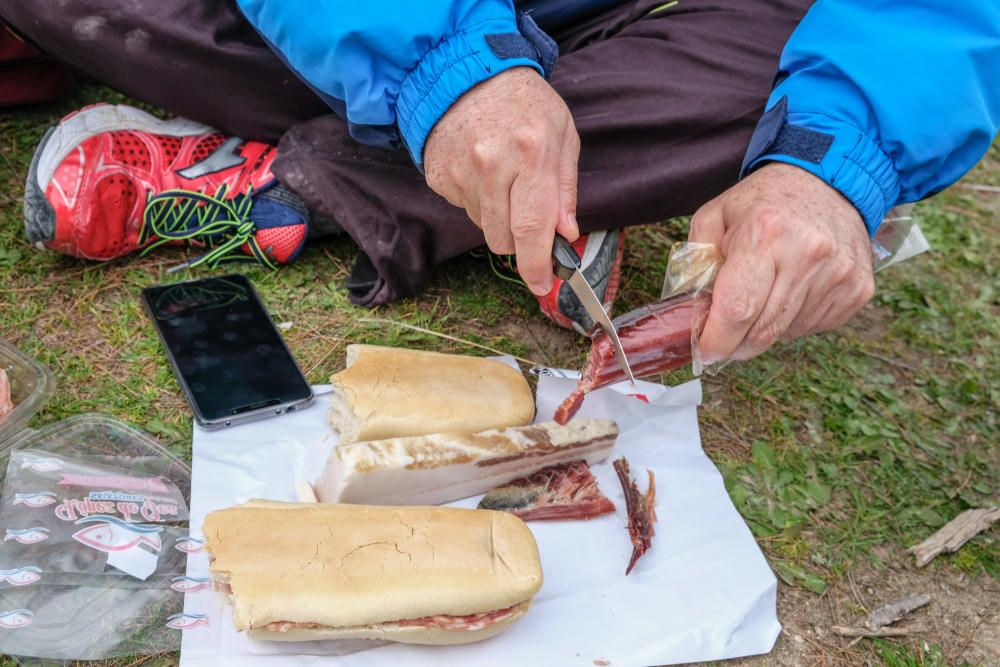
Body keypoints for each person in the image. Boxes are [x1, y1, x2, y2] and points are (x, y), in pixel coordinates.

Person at [3, 1, 998, 360]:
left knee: (793, 66)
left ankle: (300, 171)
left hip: (587, 18)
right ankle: (533, 170)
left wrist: (836, 158)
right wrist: (439, 57)